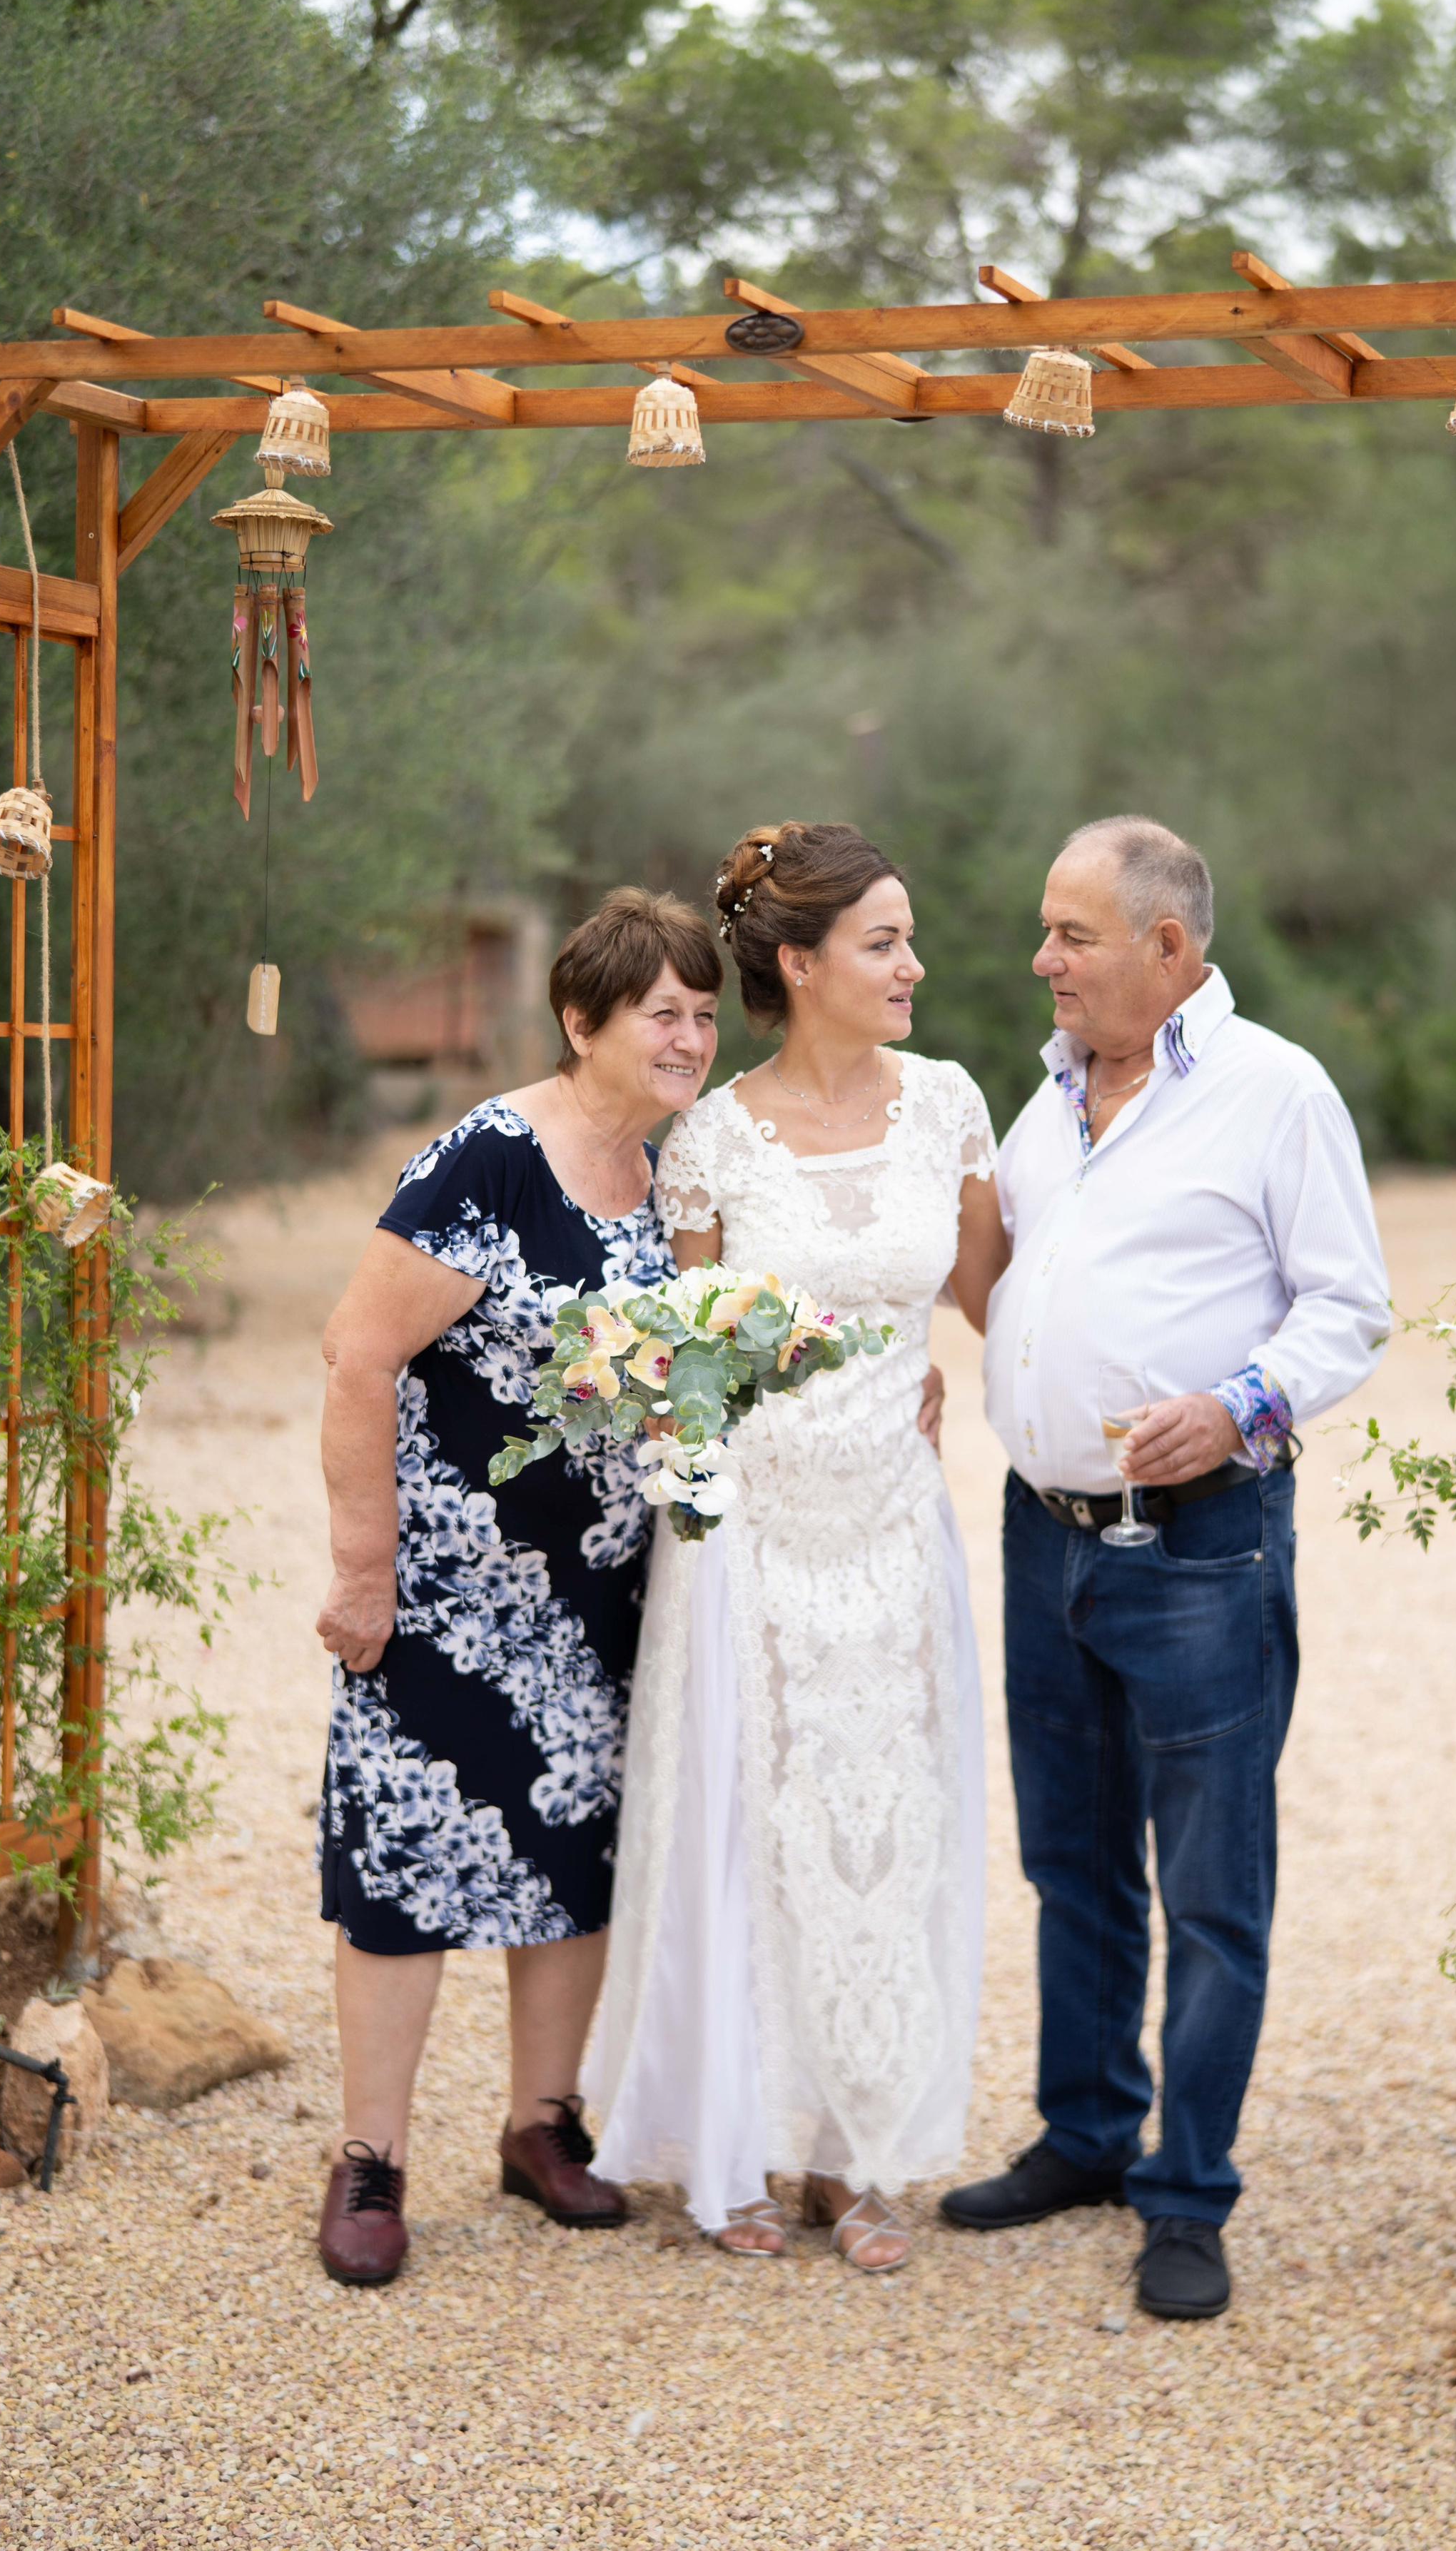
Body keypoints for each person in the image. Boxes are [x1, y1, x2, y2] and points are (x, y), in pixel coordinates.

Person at [941, 816, 1390, 2323]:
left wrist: (1239, 1405)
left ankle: (1186, 2193)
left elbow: (1348, 1307)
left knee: (1210, 1888)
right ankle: (1085, 2135)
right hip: (1044, 1533)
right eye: (1046, 930)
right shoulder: (1047, 1097)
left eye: (1071, 934)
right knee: (1071, 1863)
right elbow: (1009, 1289)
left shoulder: (1275, 1092)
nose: (1042, 959)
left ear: (1168, 947)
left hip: (1200, 1546)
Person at [587, 821, 1010, 2271]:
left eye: (908, 939)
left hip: (892, 1520)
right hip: (751, 1533)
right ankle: (740, 2146)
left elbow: (996, 1297)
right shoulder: (711, 1140)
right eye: (884, 942)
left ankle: (853, 2153)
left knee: (887, 1826)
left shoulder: (950, 1105)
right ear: (801, 962)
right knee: (748, 1831)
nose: (913, 965)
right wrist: (697, 1515)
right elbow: (685, 1361)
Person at [311, 887, 723, 2286]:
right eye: (661, 1013)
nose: (689, 1038)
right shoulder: (487, 1161)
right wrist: (363, 1568)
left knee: (572, 1861)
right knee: (406, 1867)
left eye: (703, 1015)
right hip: (442, 1598)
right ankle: (370, 2160)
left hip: (602, 1600)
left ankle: (540, 2125)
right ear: (580, 1020)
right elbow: (358, 1353)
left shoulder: (673, 1183)